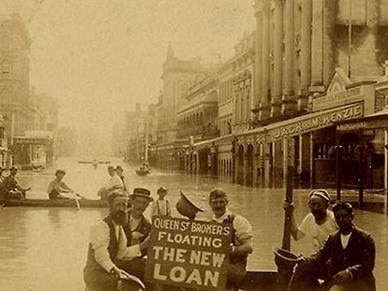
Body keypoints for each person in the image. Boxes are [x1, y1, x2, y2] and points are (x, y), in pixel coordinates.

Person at [291, 201, 376, 291]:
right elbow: (320, 257)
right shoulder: (333, 238)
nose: (341, 220)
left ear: (351, 217)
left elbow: (368, 266)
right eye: (338, 217)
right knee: (302, 268)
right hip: (337, 279)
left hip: (359, 282)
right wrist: (305, 260)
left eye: (344, 216)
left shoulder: (366, 238)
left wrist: (349, 272)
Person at [83, 190, 149, 291]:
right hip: (95, 274)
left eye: (124, 205)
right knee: (131, 288)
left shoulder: (119, 228)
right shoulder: (100, 226)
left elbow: (122, 253)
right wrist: (117, 272)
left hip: (108, 271)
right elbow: (101, 257)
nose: (122, 209)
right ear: (110, 206)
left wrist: (144, 245)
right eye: (118, 205)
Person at [209, 188, 253, 287]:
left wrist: (234, 249)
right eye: (215, 202)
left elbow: (249, 247)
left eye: (221, 202)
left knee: (211, 271)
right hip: (215, 266)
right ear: (210, 204)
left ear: (227, 202)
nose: (218, 205)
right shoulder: (209, 224)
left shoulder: (237, 221)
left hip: (235, 268)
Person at [284, 189, 338, 254]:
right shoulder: (310, 218)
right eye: (313, 204)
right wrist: (290, 213)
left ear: (326, 205)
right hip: (318, 258)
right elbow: (296, 235)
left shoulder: (335, 219)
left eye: (319, 205)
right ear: (309, 205)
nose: (316, 208)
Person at [119, 187, 153, 281]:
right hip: (117, 263)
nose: (141, 206)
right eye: (138, 202)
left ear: (147, 205)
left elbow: (147, 252)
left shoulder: (148, 226)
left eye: (144, 203)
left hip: (135, 267)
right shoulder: (119, 219)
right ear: (132, 201)